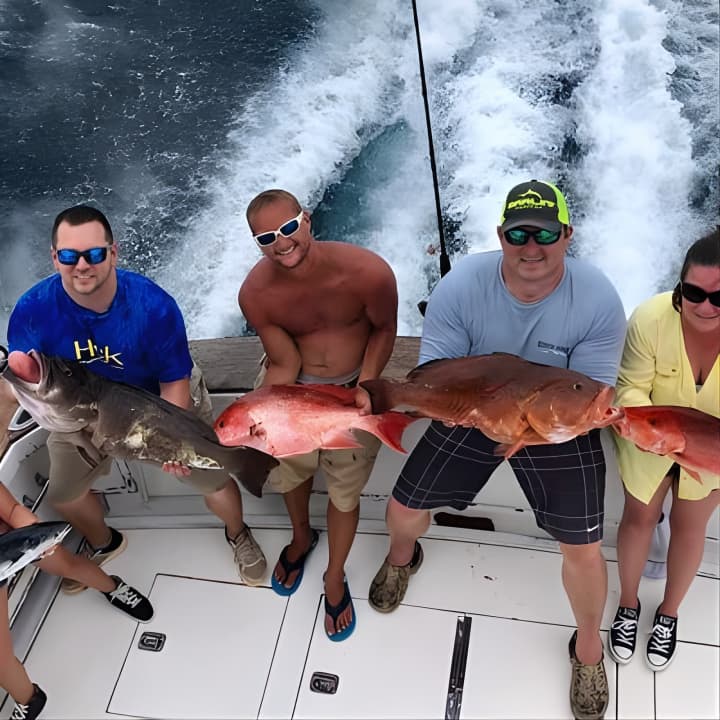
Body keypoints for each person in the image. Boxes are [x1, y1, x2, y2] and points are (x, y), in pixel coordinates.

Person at [368, 180, 626, 720]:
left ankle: (588, 648)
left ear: (567, 235)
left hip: (558, 426)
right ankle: (401, 557)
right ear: (501, 235)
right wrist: (452, 409)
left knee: (583, 547)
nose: (532, 247)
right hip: (475, 408)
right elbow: (437, 374)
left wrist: (527, 426)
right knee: (403, 507)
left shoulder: (598, 298)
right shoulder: (461, 285)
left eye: (546, 234)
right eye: (519, 234)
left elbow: (590, 397)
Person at [6, 205, 266, 589]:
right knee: (64, 495)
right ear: (55, 258)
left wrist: (171, 443)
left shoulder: (153, 307)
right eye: (69, 255)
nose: (82, 265)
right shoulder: (32, 311)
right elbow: (19, 378)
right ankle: (104, 542)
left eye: (94, 254)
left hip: (157, 405)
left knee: (214, 479)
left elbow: (174, 383)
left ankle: (238, 532)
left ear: (113, 252)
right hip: (78, 412)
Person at [239, 189, 398, 641]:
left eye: (289, 227)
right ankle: (301, 536)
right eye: (267, 237)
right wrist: (263, 412)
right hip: (293, 390)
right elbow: (283, 361)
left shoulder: (369, 272)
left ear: (306, 219)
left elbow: (385, 328)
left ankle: (334, 574)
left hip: (354, 389)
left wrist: (368, 383)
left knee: (345, 494)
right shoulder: (255, 293)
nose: (282, 242)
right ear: (257, 243)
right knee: (290, 473)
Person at [609, 229, 719, 672]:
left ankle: (668, 614)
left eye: (719, 297)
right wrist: (653, 434)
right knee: (638, 518)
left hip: (711, 451)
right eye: (694, 293)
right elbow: (630, 387)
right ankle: (628, 605)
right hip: (649, 440)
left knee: (691, 527)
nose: (706, 306)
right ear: (679, 286)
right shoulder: (650, 318)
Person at [0, 481, 153, 720]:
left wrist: (32, 530)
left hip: (11, 540)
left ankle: (113, 588)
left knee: (67, 565)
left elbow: (11, 509)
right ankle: (30, 699)